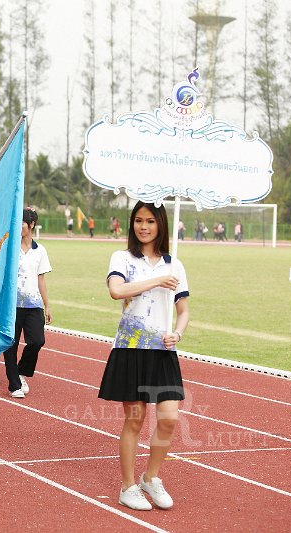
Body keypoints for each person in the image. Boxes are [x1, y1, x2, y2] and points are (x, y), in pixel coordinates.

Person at [99, 201, 190, 512]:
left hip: (162, 352)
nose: (144, 226)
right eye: (138, 220)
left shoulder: (174, 264)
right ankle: (127, 487)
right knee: (134, 419)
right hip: (130, 349)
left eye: (150, 221)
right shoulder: (122, 258)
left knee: (169, 419)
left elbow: (184, 310)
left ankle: (151, 477)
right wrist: (155, 280)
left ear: (160, 224)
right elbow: (116, 290)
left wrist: (177, 333)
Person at [0, 208, 52, 398]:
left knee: (37, 341)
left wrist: (47, 305)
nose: (19, 226)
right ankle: (14, 384)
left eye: (22, 223)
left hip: (33, 304)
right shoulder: (9, 247)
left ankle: (22, 372)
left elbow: (41, 279)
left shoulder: (40, 251)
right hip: (11, 304)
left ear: (31, 225)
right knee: (11, 344)